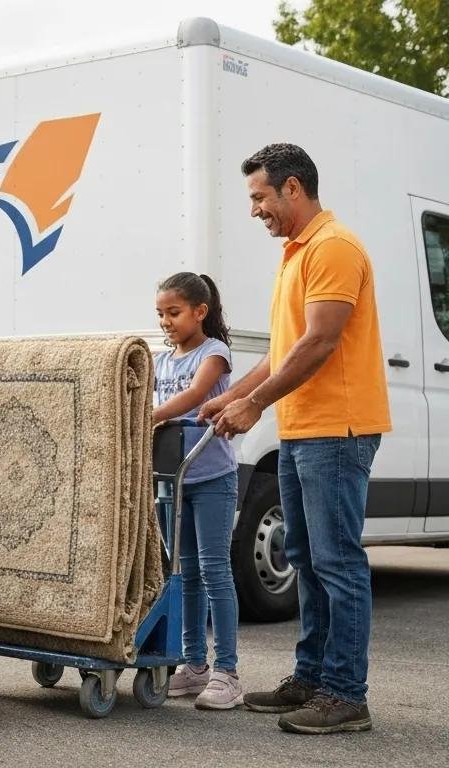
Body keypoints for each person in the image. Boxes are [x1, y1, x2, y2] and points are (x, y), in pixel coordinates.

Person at [198, 143, 391, 735]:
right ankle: (312, 677)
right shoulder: (295, 252)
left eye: (259, 196)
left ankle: (344, 694)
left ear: (292, 189)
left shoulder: (333, 247)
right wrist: (235, 394)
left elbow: (320, 342)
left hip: (339, 428)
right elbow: (285, 350)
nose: (255, 209)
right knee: (307, 559)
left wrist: (255, 404)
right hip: (306, 428)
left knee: (337, 563)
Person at [151, 272, 242, 710]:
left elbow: (195, 395)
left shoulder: (215, 353)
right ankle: (193, 666)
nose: (166, 321)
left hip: (211, 480)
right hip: (174, 481)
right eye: (161, 314)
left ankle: (227, 670)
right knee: (182, 573)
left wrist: (149, 416)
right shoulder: (161, 359)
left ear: (199, 312)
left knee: (214, 570)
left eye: (174, 313)